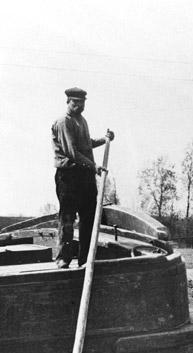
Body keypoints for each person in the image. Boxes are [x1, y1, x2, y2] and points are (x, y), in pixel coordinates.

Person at [51, 87, 115, 269]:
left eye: (82, 102)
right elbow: (72, 153)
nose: (79, 106)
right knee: (68, 219)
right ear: (68, 102)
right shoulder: (63, 122)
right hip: (69, 177)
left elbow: (86, 146)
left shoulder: (82, 121)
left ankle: (85, 259)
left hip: (85, 178)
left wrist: (104, 139)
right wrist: (94, 166)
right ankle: (63, 258)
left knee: (88, 218)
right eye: (75, 102)